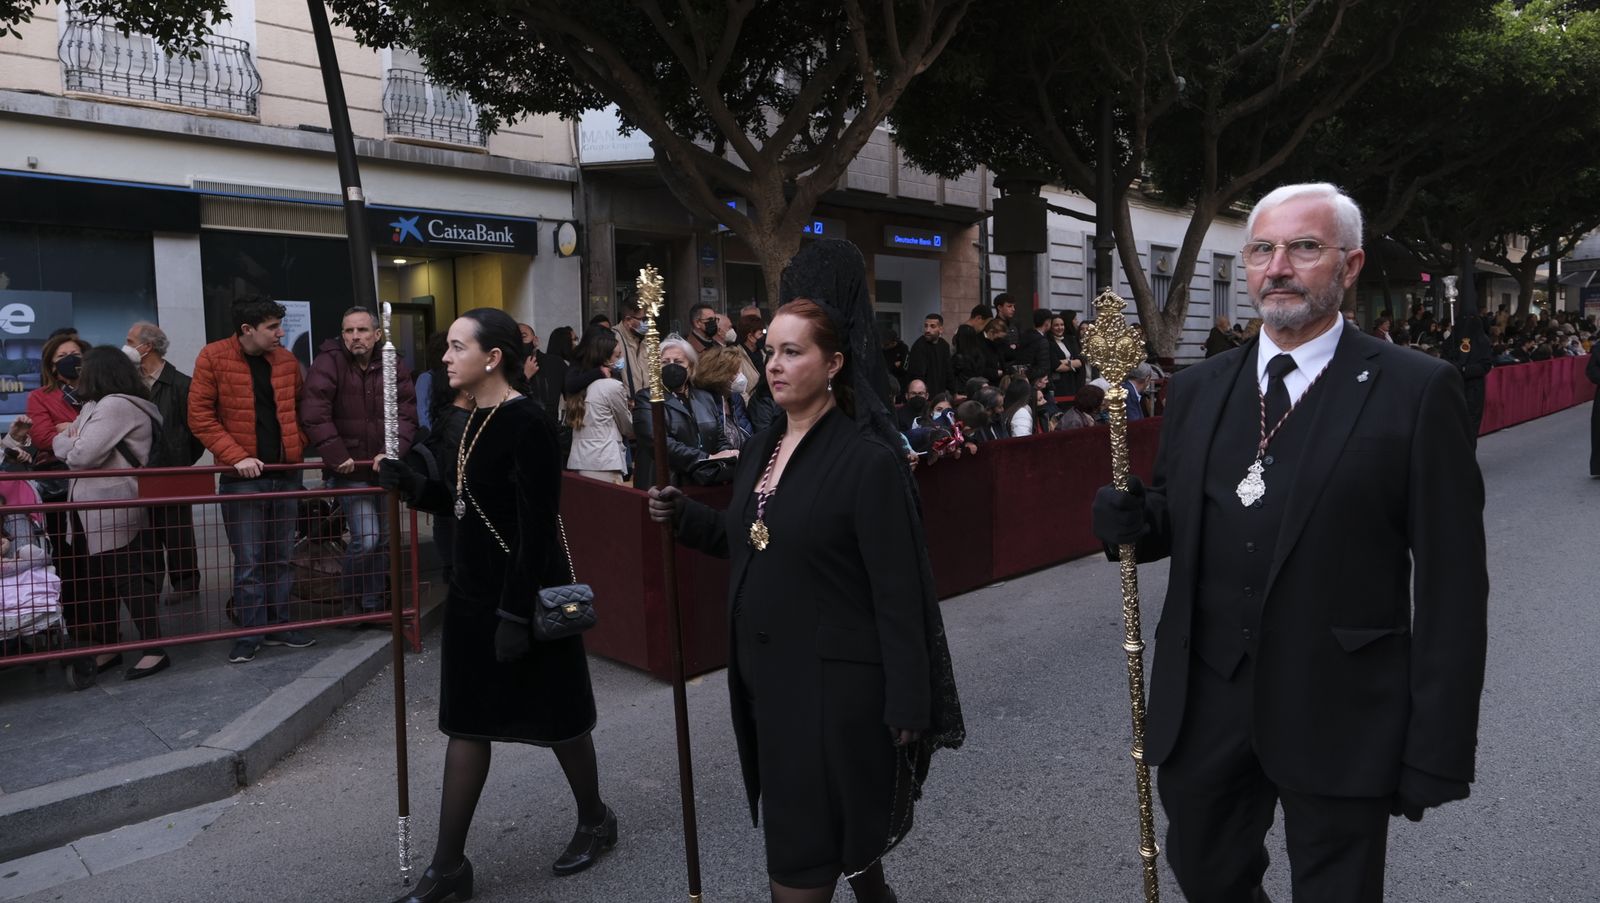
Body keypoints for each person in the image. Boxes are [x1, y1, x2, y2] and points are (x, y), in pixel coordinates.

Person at [1091, 182, 1487, 903]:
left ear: (1350, 263)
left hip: (1340, 704)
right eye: (1262, 249)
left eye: (1304, 247)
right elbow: (1178, 515)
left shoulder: (1416, 390)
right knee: (1207, 873)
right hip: (1208, 702)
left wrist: (1439, 744)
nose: (1278, 266)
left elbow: (1454, 583)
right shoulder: (1201, 387)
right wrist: (1133, 520)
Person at [647, 239, 962, 903]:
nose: (775, 363)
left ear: (836, 362)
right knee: (843, 849)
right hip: (768, 683)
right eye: (771, 349)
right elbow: (759, 536)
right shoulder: (764, 440)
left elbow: (898, 591)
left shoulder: (867, 459)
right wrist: (688, 519)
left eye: (794, 352)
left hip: (832, 694)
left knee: (800, 862)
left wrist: (910, 699)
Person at [377, 308, 615, 903]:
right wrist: (411, 484)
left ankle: (595, 818)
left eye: (458, 347)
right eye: (447, 347)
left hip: (524, 593)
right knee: (467, 724)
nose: (445, 358)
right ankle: (449, 867)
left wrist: (514, 613)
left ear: (493, 357)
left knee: (559, 718)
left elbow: (535, 525)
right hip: (472, 593)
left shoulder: (525, 421)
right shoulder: (473, 417)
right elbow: (464, 502)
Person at [189, 296, 317, 664]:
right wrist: (237, 457)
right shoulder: (213, 357)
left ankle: (280, 624)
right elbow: (200, 417)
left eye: (280, 326)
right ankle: (250, 633)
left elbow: (300, 409)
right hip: (241, 477)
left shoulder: (286, 361)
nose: (280, 333)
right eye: (273, 328)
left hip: (285, 472)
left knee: (280, 556)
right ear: (247, 330)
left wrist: (296, 447)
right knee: (248, 561)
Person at [53, 347, 168, 684]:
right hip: (90, 510)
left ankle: (155, 648)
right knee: (99, 581)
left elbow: (80, 456)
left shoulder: (117, 405)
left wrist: (71, 442)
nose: (77, 374)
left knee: (128, 577)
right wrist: (69, 441)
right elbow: (61, 442)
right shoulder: (94, 406)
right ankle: (109, 645)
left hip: (115, 506)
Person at [300, 307, 419, 616]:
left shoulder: (393, 362)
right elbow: (315, 413)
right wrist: (339, 456)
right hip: (349, 469)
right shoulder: (328, 362)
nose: (355, 337)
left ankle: (372, 604)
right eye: (349, 331)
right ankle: (350, 604)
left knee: (383, 541)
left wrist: (390, 453)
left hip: (383, 468)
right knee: (367, 539)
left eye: (362, 330)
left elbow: (405, 413)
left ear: (377, 334)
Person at [125, 322, 204, 605]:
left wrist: (179, 459)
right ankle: (151, 585)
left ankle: (185, 583)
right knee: (145, 533)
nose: (126, 345)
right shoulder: (129, 384)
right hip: (138, 472)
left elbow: (197, 433)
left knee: (177, 530)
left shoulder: (182, 384)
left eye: (130, 340)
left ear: (147, 347)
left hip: (172, 470)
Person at [632, 335, 734, 487]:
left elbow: (720, 438)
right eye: (665, 362)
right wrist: (707, 458)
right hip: (664, 483)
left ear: (691, 367)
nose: (671, 366)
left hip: (703, 482)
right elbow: (658, 442)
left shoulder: (704, 397)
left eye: (678, 362)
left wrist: (725, 457)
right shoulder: (646, 398)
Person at [564, 330, 633, 485]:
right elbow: (626, 426)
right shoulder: (611, 386)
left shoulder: (583, 385)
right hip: (605, 460)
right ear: (605, 359)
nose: (621, 359)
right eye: (617, 356)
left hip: (581, 459)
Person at [693, 344, 755, 451]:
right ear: (720, 375)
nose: (741, 376)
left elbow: (747, 432)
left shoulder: (735, 399)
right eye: (735, 372)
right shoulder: (706, 402)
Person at [906, 313, 958, 396]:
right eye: (926, 326)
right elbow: (917, 375)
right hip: (924, 396)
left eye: (932, 326)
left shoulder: (944, 345)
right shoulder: (919, 346)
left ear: (940, 329)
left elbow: (948, 372)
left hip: (940, 394)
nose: (927, 330)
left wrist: (954, 393)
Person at [611, 302, 651, 401]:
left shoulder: (648, 339)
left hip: (647, 403)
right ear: (628, 320)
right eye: (643, 319)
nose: (647, 323)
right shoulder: (613, 338)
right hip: (627, 404)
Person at [1047, 314, 1085, 401]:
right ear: (1050, 327)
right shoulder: (1048, 343)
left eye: (1062, 325)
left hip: (1073, 382)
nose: (1060, 327)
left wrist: (1065, 362)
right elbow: (1057, 367)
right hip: (1059, 384)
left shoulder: (1070, 340)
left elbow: (1080, 361)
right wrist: (1072, 363)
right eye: (1056, 325)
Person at [1015, 308, 1055, 382]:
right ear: (1047, 322)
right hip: (1039, 382)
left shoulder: (1025, 336)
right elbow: (1044, 367)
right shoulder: (1042, 341)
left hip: (1023, 378)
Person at [735, 313, 767, 403]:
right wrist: (753, 408)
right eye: (761, 334)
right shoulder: (736, 358)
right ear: (750, 337)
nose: (764, 337)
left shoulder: (764, 354)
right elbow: (740, 390)